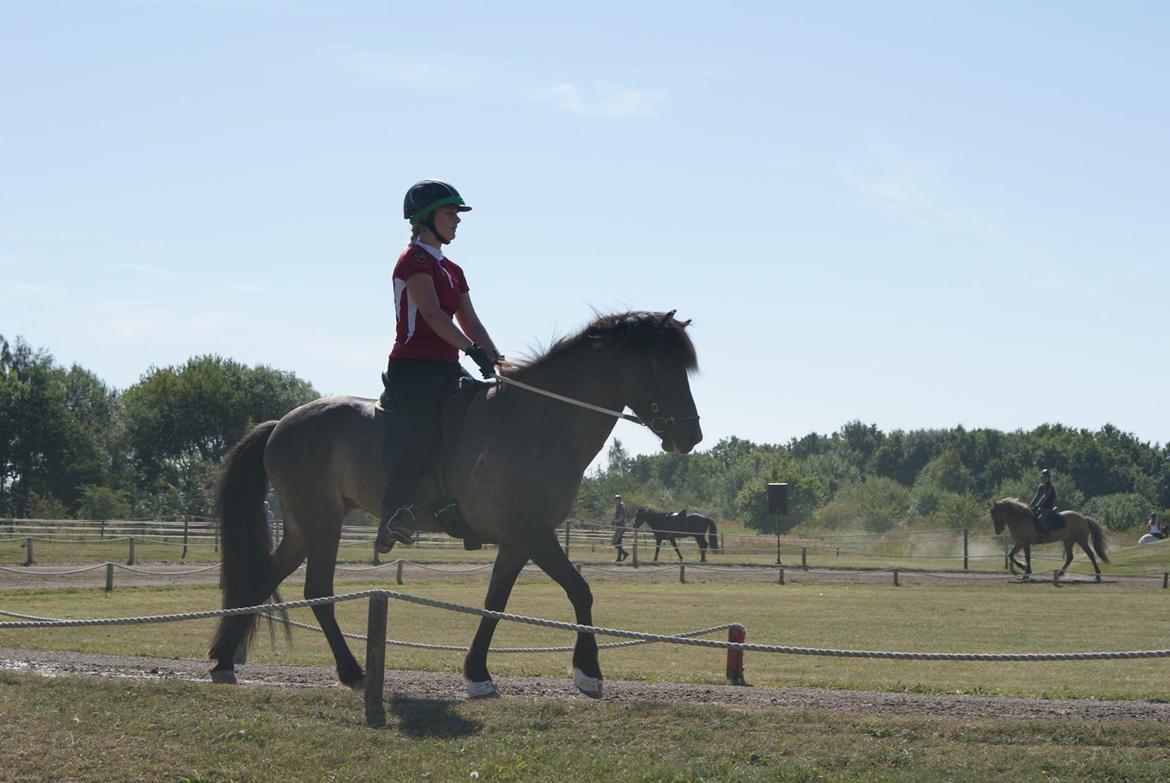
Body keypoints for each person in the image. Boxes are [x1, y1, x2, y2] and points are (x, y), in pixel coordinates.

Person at [375, 180, 502, 554]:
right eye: (450, 214)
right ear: (425, 218)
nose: (456, 221)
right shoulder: (413, 260)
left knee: (482, 419)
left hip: (447, 368)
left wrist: (497, 360)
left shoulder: (455, 270)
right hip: (413, 368)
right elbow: (431, 314)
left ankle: (468, 509)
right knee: (424, 431)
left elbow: (472, 323)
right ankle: (392, 514)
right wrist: (471, 350)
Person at [1029, 468, 1058, 535]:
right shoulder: (1041, 487)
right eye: (1042, 477)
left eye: (1045, 477)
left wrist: (1037, 506)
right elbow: (1036, 497)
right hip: (1042, 508)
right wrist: (1030, 505)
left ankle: (1046, 534)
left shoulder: (1050, 487)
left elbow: (1044, 497)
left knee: (1041, 519)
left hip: (1049, 508)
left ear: (1048, 478)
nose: (1043, 479)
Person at [611, 495, 628, 562]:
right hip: (620, 527)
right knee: (618, 543)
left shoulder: (620, 508)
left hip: (620, 527)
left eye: (616, 500)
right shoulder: (619, 507)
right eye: (615, 500)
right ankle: (619, 558)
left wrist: (614, 521)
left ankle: (625, 553)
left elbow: (621, 518)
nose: (615, 501)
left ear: (619, 501)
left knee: (614, 542)